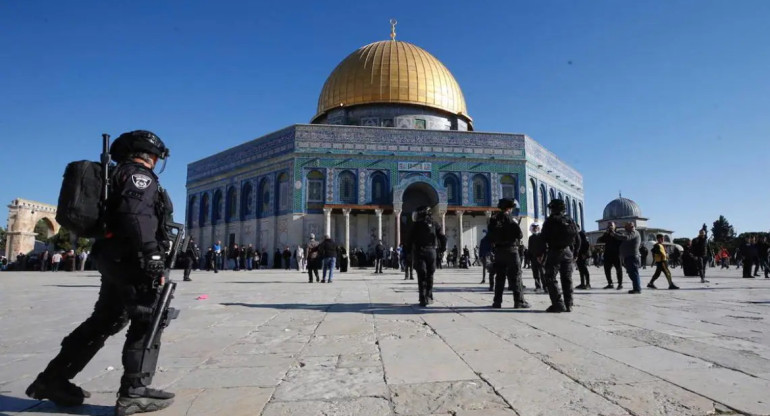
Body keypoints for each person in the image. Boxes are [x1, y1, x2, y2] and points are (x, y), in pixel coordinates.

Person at [26, 130, 175, 414]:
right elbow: (136, 215)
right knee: (148, 316)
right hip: (132, 258)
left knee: (107, 318)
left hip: (112, 256)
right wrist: (152, 254)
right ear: (151, 155)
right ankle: (134, 390)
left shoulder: (116, 175)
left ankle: (53, 379)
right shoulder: (138, 177)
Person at [487, 198, 529, 309]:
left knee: (499, 277)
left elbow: (490, 236)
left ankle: (497, 302)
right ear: (509, 208)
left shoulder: (493, 219)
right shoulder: (511, 219)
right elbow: (519, 235)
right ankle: (519, 301)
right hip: (511, 251)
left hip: (499, 252)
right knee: (516, 277)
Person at [541, 199, 580, 312]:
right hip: (568, 252)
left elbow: (543, 238)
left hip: (554, 252)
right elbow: (577, 238)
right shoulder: (569, 220)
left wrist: (541, 253)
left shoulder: (550, 221)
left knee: (550, 277)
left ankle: (558, 304)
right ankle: (569, 304)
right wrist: (575, 253)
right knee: (567, 278)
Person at [404, 206, 446, 306]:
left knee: (421, 274)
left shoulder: (416, 225)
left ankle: (423, 298)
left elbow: (408, 240)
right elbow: (443, 238)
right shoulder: (435, 224)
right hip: (432, 252)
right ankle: (429, 296)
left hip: (420, 252)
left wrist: (408, 252)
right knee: (430, 275)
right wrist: (442, 249)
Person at [615, 222, 642, 293]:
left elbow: (626, 238)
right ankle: (636, 288)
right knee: (631, 273)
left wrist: (614, 234)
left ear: (632, 226)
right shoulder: (630, 233)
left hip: (632, 256)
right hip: (628, 256)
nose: (625, 229)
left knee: (634, 273)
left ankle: (637, 289)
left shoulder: (634, 232)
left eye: (626, 227)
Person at [597, 222, 623, 289]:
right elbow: (599, 240)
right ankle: (610, 283)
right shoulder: (606, 234)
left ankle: (620, 284)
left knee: (619, 269)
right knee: (607, 269)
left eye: (611, 225)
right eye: (608, 225)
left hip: (617, 254)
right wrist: (606, 234)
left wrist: (613, 234)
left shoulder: (619, 233)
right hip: (608, 254)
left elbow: (621, 239)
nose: (610, 227)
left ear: (615, 226)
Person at [527, 224, 546, 292]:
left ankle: (545, 287)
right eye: (534, 228)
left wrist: (542, 257)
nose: (535, 229)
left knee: (543, 273)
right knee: (535, 273)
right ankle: (538, 286)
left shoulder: (542, 237)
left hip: (541, 258)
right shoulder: (531, 237)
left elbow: (545, 248)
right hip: (533, 258)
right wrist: (529, 259)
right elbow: (530, 248)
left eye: (536, 228)